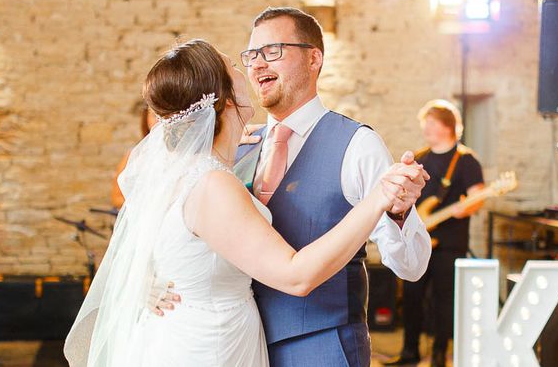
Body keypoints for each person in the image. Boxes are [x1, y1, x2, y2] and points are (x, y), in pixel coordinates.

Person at [64, 39, 424, 366]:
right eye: (234, 66)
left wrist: (148, 276)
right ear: (221, 97)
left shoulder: (185, 170)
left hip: (190, 331)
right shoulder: (211, 182)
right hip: (211, 344)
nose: (248, 69)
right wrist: (378, 197)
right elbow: (296, 275)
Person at [230, 7, 432, 366]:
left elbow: (411, 267)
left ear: (314, 58)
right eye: (252, 55)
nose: (258, 64)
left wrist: (399, 212)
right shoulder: (240, 147)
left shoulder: (357, 144)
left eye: (272, 51)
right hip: (243, 344)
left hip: (323, 347)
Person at [385, 99, 485, 367]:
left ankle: (440, 354)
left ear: (447, 126)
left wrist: (466, 208)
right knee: (412, 298)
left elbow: (478, 197)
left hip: (450, 244)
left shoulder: (466, 161)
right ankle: (410, 352)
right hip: (418, 241)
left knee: (444, 301)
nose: (425, 128)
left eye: (431, 123)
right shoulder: (421, 157)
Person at [109, 103, 157, 209]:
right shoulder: (134, 156)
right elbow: (116, 197)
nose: (159, 121)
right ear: (146, 118)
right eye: (154, 115)